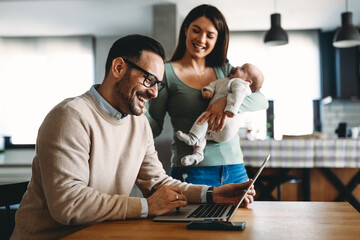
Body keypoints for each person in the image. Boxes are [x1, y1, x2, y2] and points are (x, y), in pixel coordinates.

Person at [10, 34, 255, 240]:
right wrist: (147, 207)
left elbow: (157, 182)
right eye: (149, 80)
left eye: (158, 84)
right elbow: (68, 204)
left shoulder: (138, 123)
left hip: (101, 233)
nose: (154, 93)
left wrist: (212, 194)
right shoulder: (70, 116)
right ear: (118, 68)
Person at [146, 4, 268, 186]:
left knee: (242, 216)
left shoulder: (225, 70)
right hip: (192, 172)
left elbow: (261, 100)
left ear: (217, 40)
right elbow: (154, 126)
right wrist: (136, 108)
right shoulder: (166, 73)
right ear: (186, 29)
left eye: (210, 35)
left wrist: (225, 102)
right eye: (196, 30)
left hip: (234, 168)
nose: (201, 39)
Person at [176, 63, 264, 166]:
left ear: (248, 82)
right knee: (203, 135)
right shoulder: (225, 81)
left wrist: (231, 108)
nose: (237, 67)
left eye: (243, 69)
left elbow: (238, 95)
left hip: (227, 123)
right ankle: (197, 155)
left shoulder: (240, 84)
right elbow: (213, 85)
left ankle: (192, 137)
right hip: (222, 132)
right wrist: (208, 90)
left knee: (205, 116)